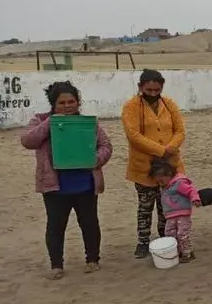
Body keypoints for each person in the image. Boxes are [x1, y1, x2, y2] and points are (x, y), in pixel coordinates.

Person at [20, 81, 113, 279]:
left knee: (89, 223)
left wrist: (94, 160)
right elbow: (28, 141)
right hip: (55, 185)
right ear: (53, 104)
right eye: (62, 102)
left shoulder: (88, 122)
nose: (68, 106)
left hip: (85, 183)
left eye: (71, 101)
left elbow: (105, 145)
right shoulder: (41, 120)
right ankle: (56, 265)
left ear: (78, 102)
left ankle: (92, 260)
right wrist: (52, 122)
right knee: (55, 226)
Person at [121, 69, 186, 259]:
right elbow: (133, 135)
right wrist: (160, 150)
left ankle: (167, 238)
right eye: (148, 90)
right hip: (144, 166)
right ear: (140, 87)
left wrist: (170, 148)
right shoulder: (131, 106)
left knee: (167, 205)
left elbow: (180, 131)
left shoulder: (170, 104)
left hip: (170, 166)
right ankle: (143, 241)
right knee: (145, 206)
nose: (152, 93)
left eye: (156, 90)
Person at [150, 158, 202, 263]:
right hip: (170, 215)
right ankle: (176, 252)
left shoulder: (179, 183)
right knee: (169, 233)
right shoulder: (166, 185)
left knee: (182, 234)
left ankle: (187, 253)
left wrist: (195, 199)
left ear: (169, 175)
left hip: (182, 214)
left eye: (161, 181)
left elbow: (191, 190)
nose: (160, 184)